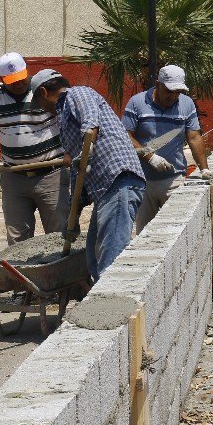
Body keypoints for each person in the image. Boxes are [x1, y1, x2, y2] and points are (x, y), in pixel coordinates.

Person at [30, 70, 146, 281]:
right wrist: (73, 217)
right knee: (93, 253)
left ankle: (111, 307)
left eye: (37, 102)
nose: (40, 108)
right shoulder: (64, 120)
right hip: (105, 190)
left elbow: (90, 122)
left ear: (44, 92)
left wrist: (89, 144)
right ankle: (100, 301)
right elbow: (79, 170)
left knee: (111, 255)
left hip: (118, 180)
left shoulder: (78, 93)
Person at [0, 52, 69, 246]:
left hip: (51, 175)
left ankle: (63, 275)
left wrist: (70, 150)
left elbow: (70, 116)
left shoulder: (44, 90)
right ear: (1, 79)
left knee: (59, 235)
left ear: (27, 71)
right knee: (18, 241)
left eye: (20, 78)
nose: (18, 84)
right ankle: (22, 276)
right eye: (11, 81)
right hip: (14, 177)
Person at [123, 64, 213, 234]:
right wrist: (150, 157)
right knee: (146, 234)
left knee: (176, 232)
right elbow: (125, 135)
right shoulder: (137, 103)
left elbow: (194, 137)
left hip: (174, 179)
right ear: (158, 84)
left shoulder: (186, 104)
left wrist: (204, 169)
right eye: (169, 91)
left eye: (178, 92)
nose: (173, 96)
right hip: (143, 181)